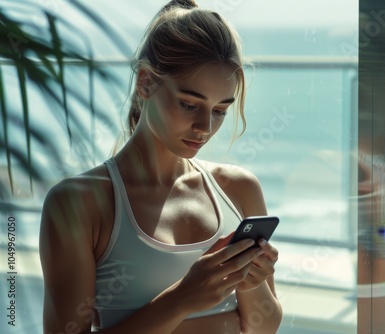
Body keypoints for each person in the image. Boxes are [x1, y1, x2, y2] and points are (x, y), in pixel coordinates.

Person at [39, 1, 282, 333]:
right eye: (189, 104)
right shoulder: (78, 204)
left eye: (220, 110)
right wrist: (181, 298)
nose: (205, 126)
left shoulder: (238, 188)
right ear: (145, 83)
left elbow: (264, 327)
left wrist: (251, 282)